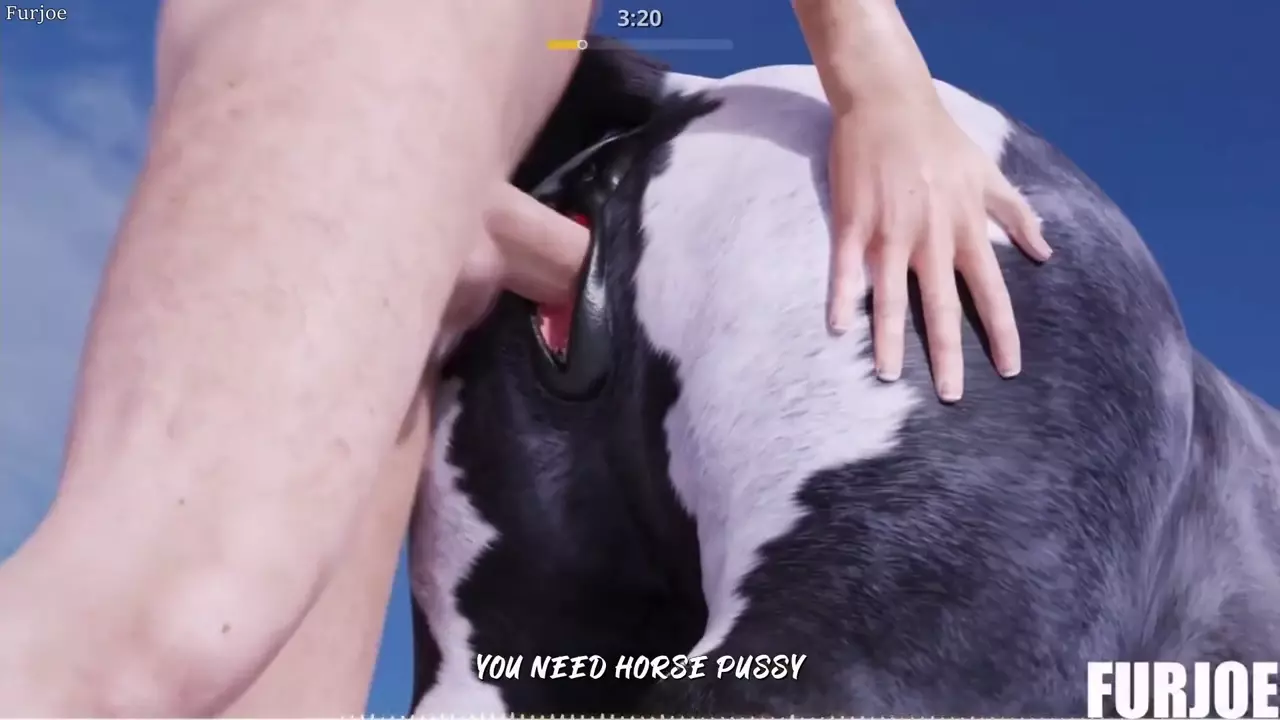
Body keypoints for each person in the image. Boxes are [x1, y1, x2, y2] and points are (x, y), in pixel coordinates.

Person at [0, 0, 1049, 715]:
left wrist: (564, 260)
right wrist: (878, 85)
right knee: (162, 617)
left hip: (439, 153)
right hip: (386, 44)